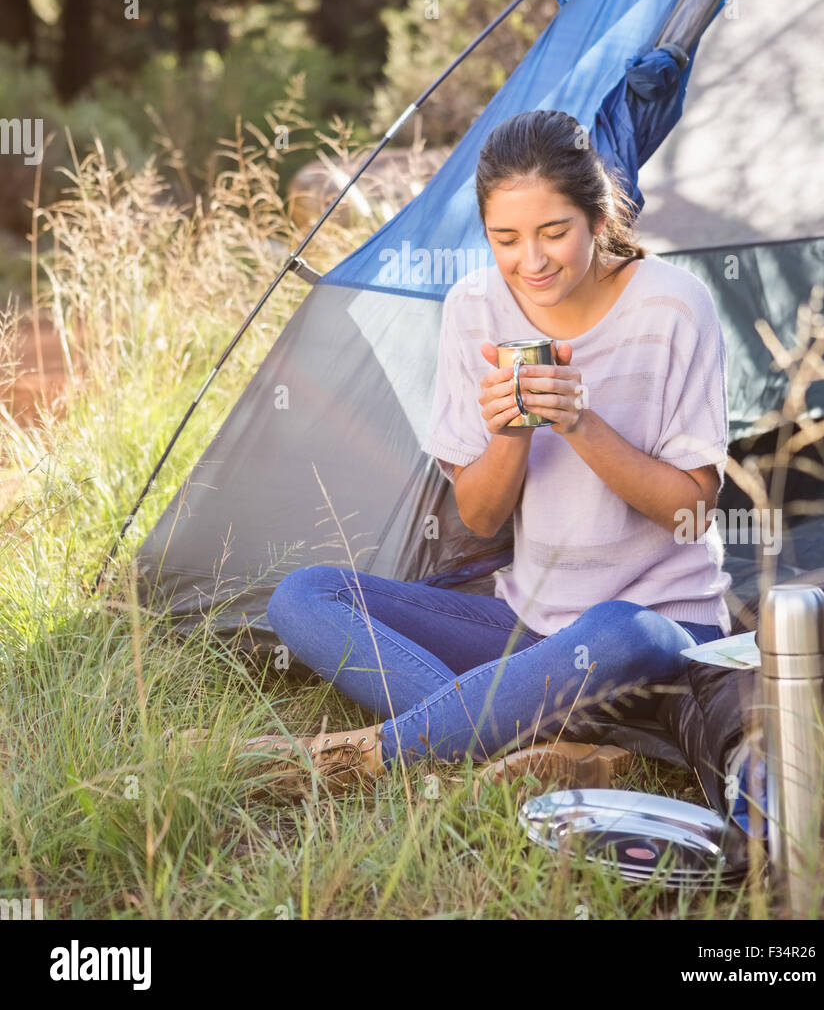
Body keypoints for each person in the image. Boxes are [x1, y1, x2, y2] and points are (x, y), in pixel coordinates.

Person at [240, 110, 732, 800]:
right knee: (305, 596)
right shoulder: (475, 306)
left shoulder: (675, 306)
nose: (530, 262)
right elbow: (478, 512)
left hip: (656, 628)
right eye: (506, 239)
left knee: (618, 630)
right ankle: (548, 741)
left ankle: (366, 756)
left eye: (554, 233)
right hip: (529, 627)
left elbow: (694, 512)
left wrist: (580, 423)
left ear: (597, 216)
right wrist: (512, 431)